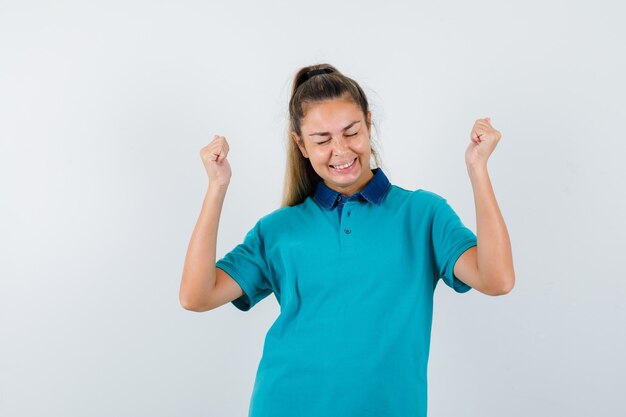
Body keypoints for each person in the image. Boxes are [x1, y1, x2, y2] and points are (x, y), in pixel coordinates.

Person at [179, 64, 515, 417]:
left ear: (369, 124)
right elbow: (196, 296)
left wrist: (478, 170)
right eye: (322, 140)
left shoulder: (422, 214)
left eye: (351, 132)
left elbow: (497, 280)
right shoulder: (278, 229)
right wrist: (217, 187)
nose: (340, 150)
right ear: (301, 145)